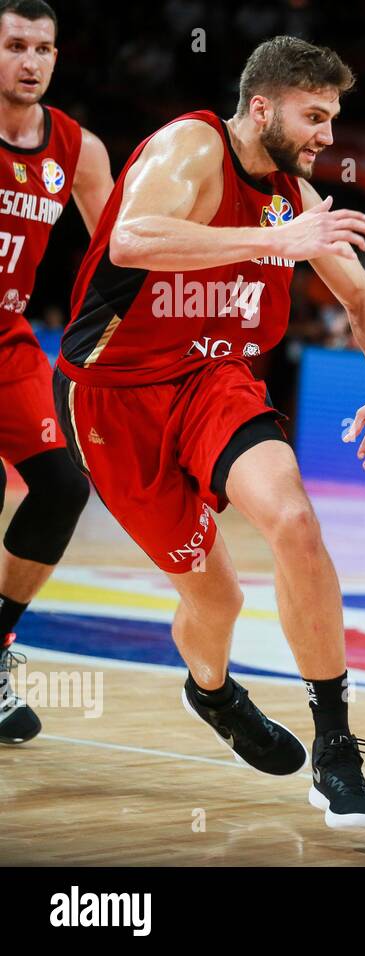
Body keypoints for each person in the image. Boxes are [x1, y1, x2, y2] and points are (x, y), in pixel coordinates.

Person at [52, 36, 365, 829]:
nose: (326, 135)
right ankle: (210, 690)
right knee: (214, 595)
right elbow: (130, 240)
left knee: (294, 521)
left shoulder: (300, 197)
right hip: (114, 396)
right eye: (314, 116)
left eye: (332, 118)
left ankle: (337, 747)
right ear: (262, 106)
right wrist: (271, 241)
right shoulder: (192, 144)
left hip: (217, 380)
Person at [0, 0, 113, 745]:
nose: (31, 61)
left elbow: (119, 252)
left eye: (43, 48)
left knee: (65, 483)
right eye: (14, 46)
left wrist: (107, 344)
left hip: (8, 337)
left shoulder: (77, 147)